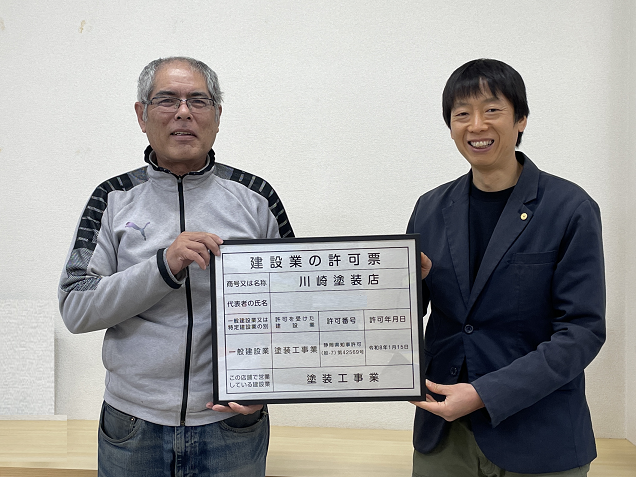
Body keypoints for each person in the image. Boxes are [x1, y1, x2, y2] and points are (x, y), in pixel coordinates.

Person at [59, 56, 294, 476]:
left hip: (231, 423)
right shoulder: (111, 198)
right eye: (167, 100)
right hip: (132, 424)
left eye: (198, 101)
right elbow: (76, 306)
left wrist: (269, 385)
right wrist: (163, 267)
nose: (184, 112)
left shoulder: (257, 198)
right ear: (141, 115)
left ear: (217, 116)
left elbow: (297, 305)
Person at [407, 59, 605, 476]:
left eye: (492, 109)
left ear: (521, 119)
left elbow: (582, 332)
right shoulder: (430, 208)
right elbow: (401, 315)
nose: (476, 125)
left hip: (539, 435)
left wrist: (485, 393)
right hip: (443, 433)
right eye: (462, 113)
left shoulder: (570, 208)